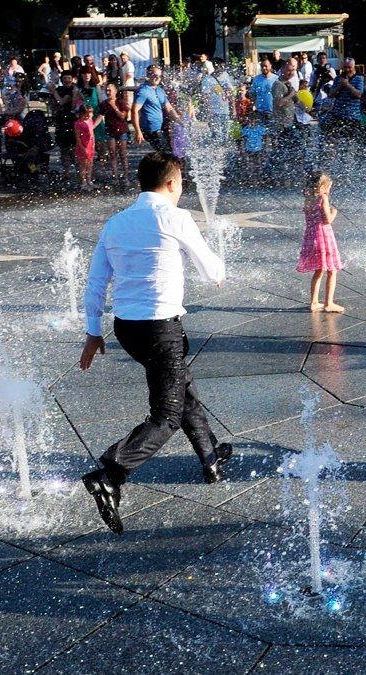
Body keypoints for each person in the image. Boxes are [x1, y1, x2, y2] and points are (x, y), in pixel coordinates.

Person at [79, 152, 231, 534]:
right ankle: (111, 474)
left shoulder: (115, 224)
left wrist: (92, 332)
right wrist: (217, 268)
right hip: (161, 329)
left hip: (127, 329)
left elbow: (96, 282)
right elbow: (212, 269)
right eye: (181, 182)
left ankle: (210, 458)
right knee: (167, 414)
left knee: (183, 390)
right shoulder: (175, 217)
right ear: (171, 183)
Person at [296, 170, 344, 313]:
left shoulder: (308, 198)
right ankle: (329, 303)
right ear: (322, 187)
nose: (329, 190)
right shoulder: (323, 198)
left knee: (319, 270)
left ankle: (314, 302)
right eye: (328, 187)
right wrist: (334, 212)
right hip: (324, 236)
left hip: (311, 237)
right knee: (332, 270)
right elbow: (327, 220)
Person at [133, 65, 178, 152]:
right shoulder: (143, 90)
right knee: (166, 153)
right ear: (148, 75)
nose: (158, 78)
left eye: (159, 76)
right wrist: (138, 131)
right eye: (155, 75)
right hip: (150, 130)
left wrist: (180, 122)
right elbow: (134, 110)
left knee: (169, 152)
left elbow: (169, 109)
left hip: (159, 128)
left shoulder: (160, 90)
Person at [98, 83, 131, 186]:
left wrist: (114, 107)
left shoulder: (121, 102)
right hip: (110, 131)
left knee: (123, 153)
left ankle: (126, 177)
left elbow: (122, 116)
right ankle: (115, 177)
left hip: (121, 131)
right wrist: (92, 127)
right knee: (112, 153)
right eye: (106, 90)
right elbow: (100, 116)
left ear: (115, 91)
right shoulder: (103, 104)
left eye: (110, 90)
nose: (108, 92)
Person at [73, 104, 100, 190]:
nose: (88, 116)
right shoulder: (78, 123)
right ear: (81, 114)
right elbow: (78, 138)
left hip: (90, 145)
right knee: (83, 165)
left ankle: (89, 181)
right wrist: (83, 148)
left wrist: (94, 144)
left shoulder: (90, 120)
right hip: (82, 146)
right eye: (86, 114)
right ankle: (83, 183)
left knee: (90, 164)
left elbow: (92, 134)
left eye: (90, 114)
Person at [251, 58, 279, 124]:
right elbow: (253, 93)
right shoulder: (256, 79)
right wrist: (254, 105)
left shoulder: (276, 79)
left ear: (270, 66)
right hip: (259, 111)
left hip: (272, 111)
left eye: (266, 66)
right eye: (262, 66)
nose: (264, 68)